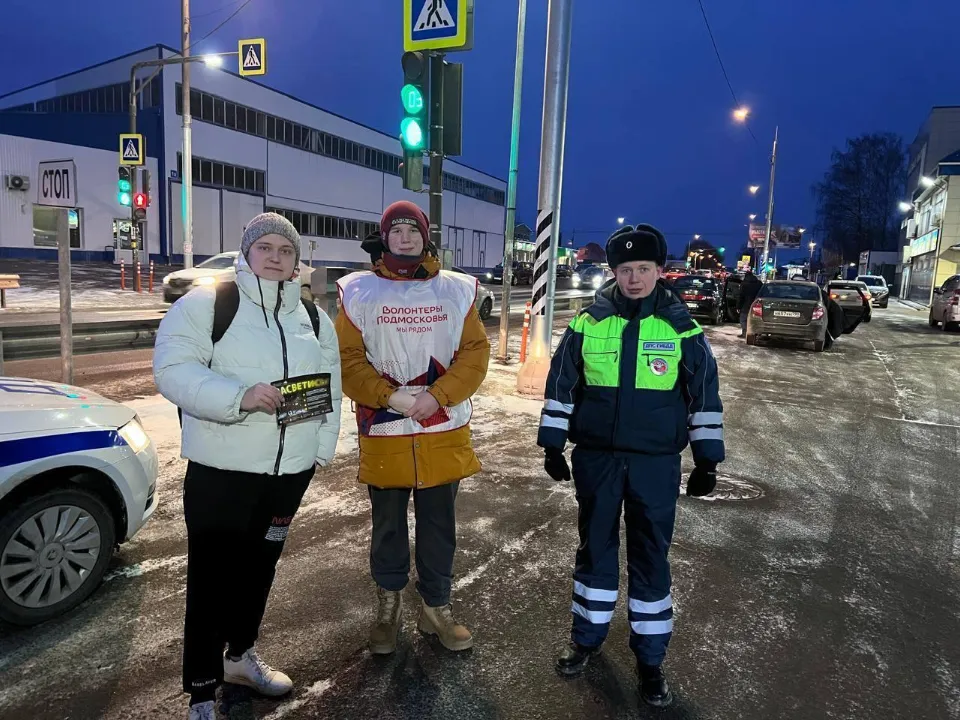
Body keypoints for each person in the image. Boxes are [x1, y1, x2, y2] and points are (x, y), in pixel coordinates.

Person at [154, 212, 342, 720]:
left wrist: (320, 449)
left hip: (288, 475)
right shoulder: (210, 303)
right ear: (247, 251)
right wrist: (238, 397)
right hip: (223, 470)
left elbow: (330, 384)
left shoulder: (312, 315)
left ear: (296, 260)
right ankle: (200, 690)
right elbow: (173, 369)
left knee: (259, 570)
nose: (276, 257)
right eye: (267, 248)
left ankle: (239, 658)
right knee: (212, 578)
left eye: (286, 250)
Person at [538, 223, 725, 708]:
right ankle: (586, 640)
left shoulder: (683, 327)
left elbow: (705, 395)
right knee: (594, 549)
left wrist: (707, 459)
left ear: (660, 271)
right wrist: (552, 445)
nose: (635, 278)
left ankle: (650, 661)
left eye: (644, 268)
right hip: (597, 459)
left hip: (655, 465)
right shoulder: (588, 323)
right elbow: (560, 385)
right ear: (614, 272)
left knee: (650, 557)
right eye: (626, 269)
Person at [335, 201, 489, 656]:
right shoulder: (358, 292)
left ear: (426, 236)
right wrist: (393, 398)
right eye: (396, 230)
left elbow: (474, 354)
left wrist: (434, 397)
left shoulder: (456, 290)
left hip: (442, 428)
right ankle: (388, 607)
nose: (405, 237)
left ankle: (435, 608)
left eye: (413, 230)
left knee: (440, 525)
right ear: (384, 238)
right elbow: (346, 360)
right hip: (385, 428)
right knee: (386, 526)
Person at [738, 269, 763, 337]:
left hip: (746, 305)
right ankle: (754, 333)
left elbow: (741, 296)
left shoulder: (744, 284)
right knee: (755, 319)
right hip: (757, 304)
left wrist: (738, 306)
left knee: (743, 319)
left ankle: (745, 332)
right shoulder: (759, 283)